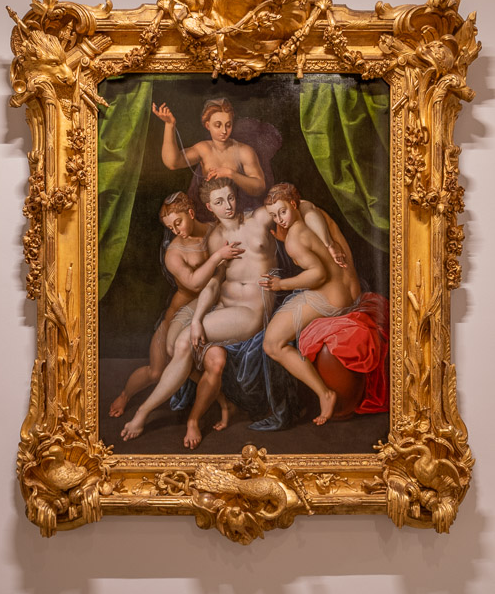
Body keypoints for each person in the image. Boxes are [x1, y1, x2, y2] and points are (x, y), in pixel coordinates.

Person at [120, 177, 334, 446]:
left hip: (250, 310)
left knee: (184, 341)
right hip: (225, 305)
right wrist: (197, 319)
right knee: (182, 341)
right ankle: (150, 413)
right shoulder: (216, 239)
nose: (228, 206)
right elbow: (213, 283)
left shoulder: (260, 218)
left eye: (231, 198)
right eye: (220, 202)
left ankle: (143, 413)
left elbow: (303, 206)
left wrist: (328, 243)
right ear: (209, 207)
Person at [108, 191, 243, 418]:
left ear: (191, 213)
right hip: (178, 316)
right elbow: (194, 282)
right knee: (155, 372)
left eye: (178, 223)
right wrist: (217, 256)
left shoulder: (215, 230)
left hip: (210, 310)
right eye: (171, 227)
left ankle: (219, 404)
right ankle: (125, 395)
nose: (176, 231)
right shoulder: (174, 253)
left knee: (209, 362)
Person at [259, 183, 361, 425]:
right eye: (274, 216)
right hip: (352, 290)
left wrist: (280, 285)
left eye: (282, 212)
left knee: (271, 344)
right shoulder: (315, 213)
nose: (279, 220)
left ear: (293, 204)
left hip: (332, 299)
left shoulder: (294, 238)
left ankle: (325, 394)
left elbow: (318, 275)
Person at [152, 98, 266, 198]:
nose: (224, 131)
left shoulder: (244, 151)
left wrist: (231, 174)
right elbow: (172, 163)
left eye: (228, 125)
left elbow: (260, 187)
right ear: (208, 125)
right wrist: (170, 125)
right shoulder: (203, 149)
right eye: (218, 125)